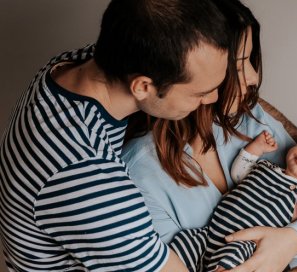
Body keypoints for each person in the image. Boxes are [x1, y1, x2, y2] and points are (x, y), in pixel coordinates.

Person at [122, 0, 297, 271]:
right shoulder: (138, 174)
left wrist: (291, 240)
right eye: (239, 65)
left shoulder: (250, 120)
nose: (252, 77)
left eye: (250, 60)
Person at [0, 0, 231, 271]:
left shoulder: (74, 66)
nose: (212, 99)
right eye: (200, 93)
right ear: (143, 86)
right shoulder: (86, 175)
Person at [168, 131, 297, 271]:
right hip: (208, 234)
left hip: (244, 244)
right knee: (181, 244)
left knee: (233, 259)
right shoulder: (268, 166)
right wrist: (255, 149)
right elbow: (239, 175)